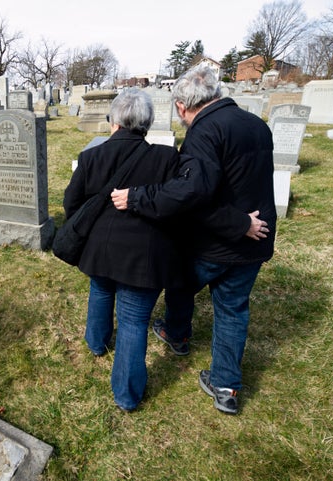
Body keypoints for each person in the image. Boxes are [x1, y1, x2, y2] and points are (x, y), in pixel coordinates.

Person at [110, 65, 276, 414]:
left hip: (217, 242)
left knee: (181, 282)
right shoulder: (256, 125)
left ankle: (177, 334)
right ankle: (225, 386)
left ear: (183, 107)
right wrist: (246, 226)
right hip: (254, 241)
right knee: (232, 310)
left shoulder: (203, 132)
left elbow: (191, 194)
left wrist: (138, 198)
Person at [63, 89, 187, 412]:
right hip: (142, 258)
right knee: (132, 321)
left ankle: (96, 344)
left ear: (115, 120)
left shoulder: (92, 157)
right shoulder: (166, 159)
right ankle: (125, 395)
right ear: (145, 123)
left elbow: (70, 203)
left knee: (101, 292)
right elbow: (174, 207)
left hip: (100, 251)